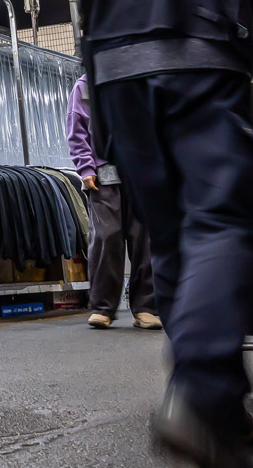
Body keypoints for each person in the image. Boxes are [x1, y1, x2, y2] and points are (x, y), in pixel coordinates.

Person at [48, 0, 253, 468]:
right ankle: (198, 393)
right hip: (199, 52)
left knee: (172, 238)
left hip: (116, 74)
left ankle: (220, 413)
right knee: (222, 218)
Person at [69, 74, 158, 331]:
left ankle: (146, 308)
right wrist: (85, 167)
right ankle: (102, 307)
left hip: (142, 173)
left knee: (145, 241)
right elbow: (76, 127)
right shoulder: (86, 85)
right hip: (104, 175)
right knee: (106, 237)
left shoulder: (143, 80)